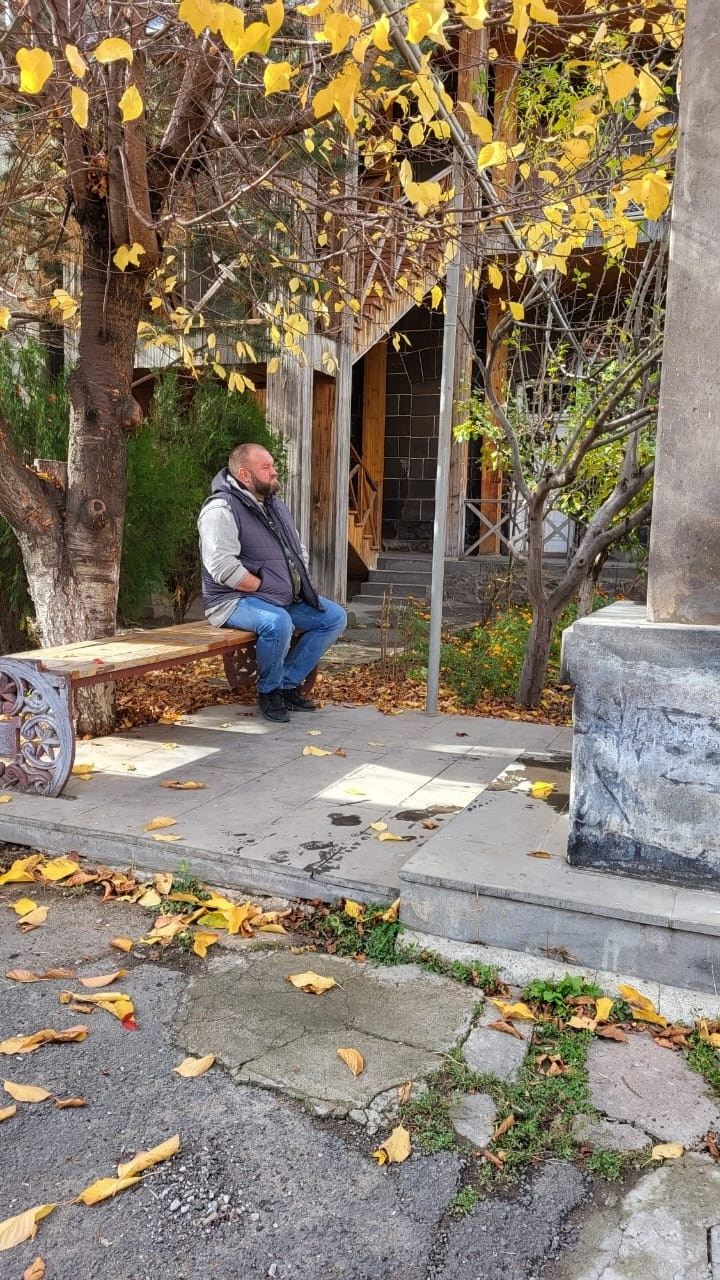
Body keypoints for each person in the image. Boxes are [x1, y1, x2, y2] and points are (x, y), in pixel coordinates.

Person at [198, 443, 347, 723]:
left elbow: (297, 549)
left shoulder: (275, 505)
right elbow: (221, 566)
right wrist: (264, 586)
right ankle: (269, 691)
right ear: (245, 474)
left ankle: (287, 684)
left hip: (278, 597)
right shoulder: (221, 508)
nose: (274, 471)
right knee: (277, 623)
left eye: (272, 465)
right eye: (266, 467)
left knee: (334, 617)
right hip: (232, 601)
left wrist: (294, 581)